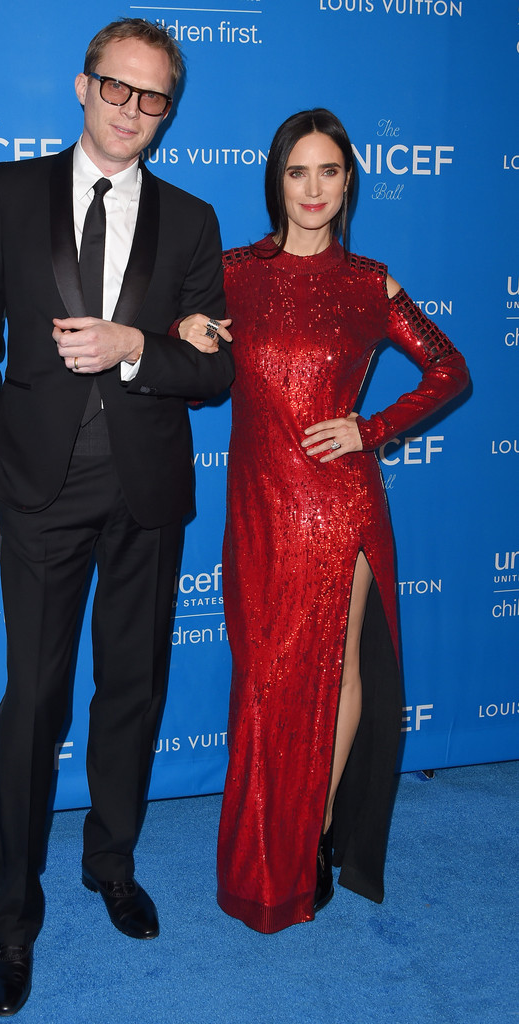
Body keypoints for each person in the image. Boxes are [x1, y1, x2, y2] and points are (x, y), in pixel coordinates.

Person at [0, 18, 234, 1015]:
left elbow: (214, 367)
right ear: (83, 86)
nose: (133, 112)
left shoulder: (192, 222)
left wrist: (132, 345)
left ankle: (109, 864)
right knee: (33, 704)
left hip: (148, 496)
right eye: (118, 88)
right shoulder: (11, 191)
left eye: (154, 98)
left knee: (132, 692)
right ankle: (11, 919)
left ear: (168, 111)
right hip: (38, 493)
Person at [179, 108, 468, 933]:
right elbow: (173, 334)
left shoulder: (368, 282)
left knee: (337, 677)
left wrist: (371, 428)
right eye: (297, 172)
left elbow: (449, 369)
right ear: (275, 179)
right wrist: (180, 328)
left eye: (329, 172)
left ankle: (314, 832)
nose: (312, 189)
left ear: (348, 182)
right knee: (265, 682)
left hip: (340, 506)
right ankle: (274, 838)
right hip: (259, 511)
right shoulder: (230, 271)